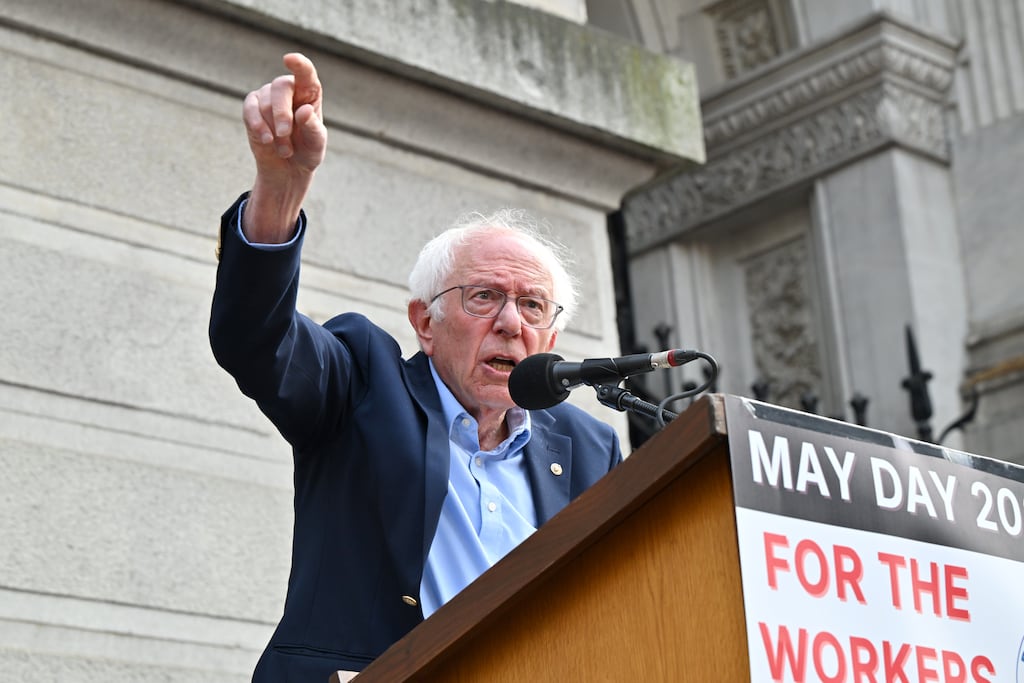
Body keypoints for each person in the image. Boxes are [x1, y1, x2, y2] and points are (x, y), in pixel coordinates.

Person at [209, 53, 622, 682]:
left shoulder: (588, 446)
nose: (511, 322)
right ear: (425, 323)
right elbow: (255, 339)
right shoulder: (362, 381)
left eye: (533, 306)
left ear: (551, 337)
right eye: (484, 296)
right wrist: (279, 193)